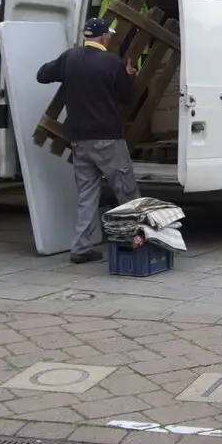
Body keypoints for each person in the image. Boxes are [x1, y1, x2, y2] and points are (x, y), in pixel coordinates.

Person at [37, 17, 141, 263]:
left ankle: (81, 248)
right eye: (109, 36)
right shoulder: (111, 62)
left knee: (87, 195)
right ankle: (136, 241)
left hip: (79, 140)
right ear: (104, 37)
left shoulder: (69, 58)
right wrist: (128, 75)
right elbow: (127, 96)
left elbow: (42, 75)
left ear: (86, 36)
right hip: (107, 139)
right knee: (125, 190)